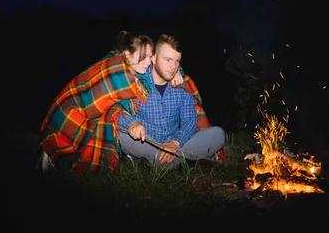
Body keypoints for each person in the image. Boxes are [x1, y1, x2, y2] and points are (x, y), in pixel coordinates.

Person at [37, 30, 184, 173]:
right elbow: (91, 94)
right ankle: (50, 157)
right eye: (144, 57)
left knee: (104, 121)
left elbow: (160, 66)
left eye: (150, 56)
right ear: (127, 55)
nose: (148, 62)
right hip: (69, 109)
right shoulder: (114, 72)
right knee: (70, 142)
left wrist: (176, 71)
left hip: (89, 110)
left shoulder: (136, 65)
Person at [112, 34, 226, 168]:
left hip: (176, 146)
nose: (173, 67)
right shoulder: (137, 80)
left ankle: (164, 163)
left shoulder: (182, 85)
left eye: (177, 61)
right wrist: (132, 123)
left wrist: (174, 143)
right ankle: (183, 162)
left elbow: (189, 122)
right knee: (121, 135)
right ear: (153, 58)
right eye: (168, 60)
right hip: (147, 143)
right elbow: (115, 109)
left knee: (219, 134)